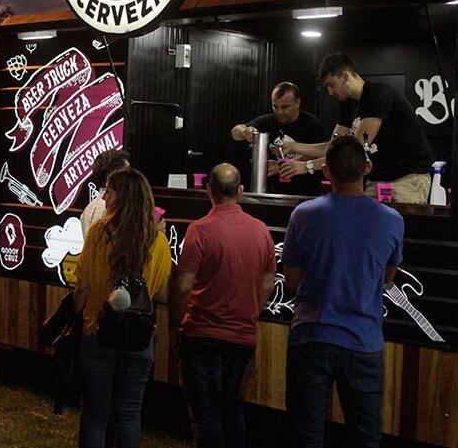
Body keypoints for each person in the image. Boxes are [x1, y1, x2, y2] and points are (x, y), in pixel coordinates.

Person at [282, 135, 403, 447]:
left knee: (305, 435)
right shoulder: (392, 220)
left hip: (311, 337)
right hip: (364, 341)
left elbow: (292, 282)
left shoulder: (304, 214)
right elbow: (388, 277)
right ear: (368, 166)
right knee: (365, 437)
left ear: (326, 171)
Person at [169, 163, 276, 448]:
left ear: (209, 191)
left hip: (202, 334)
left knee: (207, 415)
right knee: (232, 408)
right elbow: (269, 281)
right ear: (241, 191)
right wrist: (251, 310)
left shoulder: (199, 230)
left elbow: (182, 286)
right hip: (242, 336)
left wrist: (176, 323)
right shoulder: (261, 231)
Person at [72, 167, 172, 448]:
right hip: (140, 337)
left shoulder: (98, 234)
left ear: (122, 196)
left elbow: (83, 287)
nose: (104, 196)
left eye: (108, 190)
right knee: (129, 414)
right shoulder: (158, 240)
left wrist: (74, 316)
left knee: (95, 414)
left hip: (98, 330)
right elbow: (162, 293)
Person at [281, 53, 432, 203]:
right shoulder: (348, 104)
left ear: (345, 77)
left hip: (406, 179)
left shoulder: (376, 96)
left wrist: (306, 166)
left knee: (401, 225)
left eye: (331, 85)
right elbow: (334, 147)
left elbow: (353, 151)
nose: (330, 92)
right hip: (377, 179)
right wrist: (293, 146)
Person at [231, 82, 324, 196]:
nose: (279, 112)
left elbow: (316, 153)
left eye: (285, 107)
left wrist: (281, 166)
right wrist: (244, 131)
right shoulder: (268, 121)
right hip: (275, 193)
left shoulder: (312, 124)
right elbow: (235, 132)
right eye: (275, 106)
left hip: (306, 193)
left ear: (297, 103)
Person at [80, 149, 130, 236]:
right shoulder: (114, 208)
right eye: (127, 172)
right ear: (115, 175)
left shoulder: (89, 209)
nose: (131, 177)